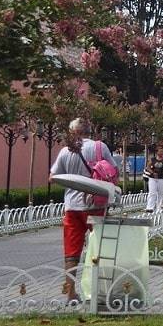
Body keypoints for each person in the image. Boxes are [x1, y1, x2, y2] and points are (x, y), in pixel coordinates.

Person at [49, 118, 114, 301]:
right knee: (99, 248)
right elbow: (112, 171)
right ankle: (100, 290)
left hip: (72, 207)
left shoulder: (65, 151)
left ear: (72, 133)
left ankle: (70, 292)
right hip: (95, 204)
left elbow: (52, 177)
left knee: (71, 251)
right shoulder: (99, 147)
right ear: (89, 130)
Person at [143, 145, 163, 212]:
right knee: (152, 192)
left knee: (161, 193)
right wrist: (152, 172)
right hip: (153, 178)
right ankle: (150, 207)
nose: (162, 153)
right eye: (160, 151)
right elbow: (147, 167)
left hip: (162, 178)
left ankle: (159, 207)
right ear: (157, 152)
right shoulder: (153, 159)